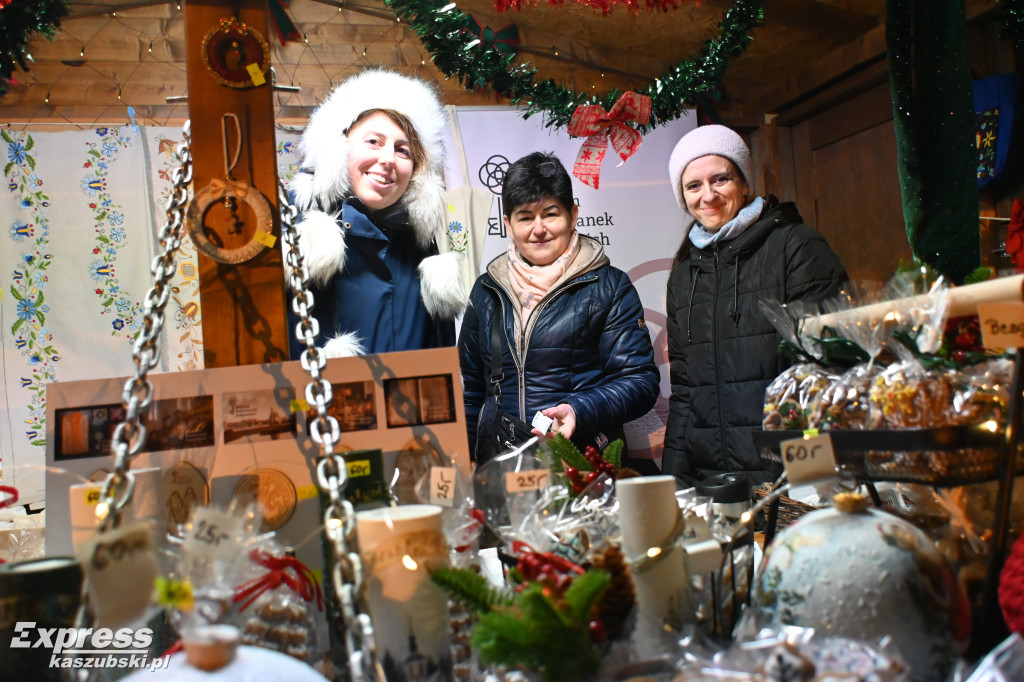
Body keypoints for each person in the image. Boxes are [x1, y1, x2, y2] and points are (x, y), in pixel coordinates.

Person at [663, 124, 848, 488]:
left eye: (721, 179)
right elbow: (685, 392)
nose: (708, 195)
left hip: (789, 477)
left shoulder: (795, 247)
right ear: (683, 198)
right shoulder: (685, 274)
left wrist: (813, 475)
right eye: (694, 186)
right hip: (712, 480)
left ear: (745, 183)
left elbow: (829, 372)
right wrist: (675, 482)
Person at [459, 152, 661, 473]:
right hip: (500, 467)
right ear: (508, 225)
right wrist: (464, 459)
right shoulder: (487, 290)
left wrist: (579, 410)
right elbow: (468, 389)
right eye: (525, 217)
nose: (538, 229)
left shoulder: (610, 286)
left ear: (573, 215)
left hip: (582, 462)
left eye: (550, 214)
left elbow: (639, 380)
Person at [287, 69, 466, 358]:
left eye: (403, 150)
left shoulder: (420, 246)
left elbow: (439, 353)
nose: (387, 159)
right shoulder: (297, 233)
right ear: (340, 147)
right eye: (373, 142)